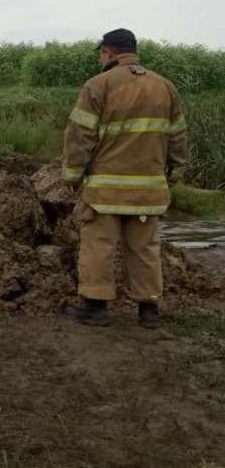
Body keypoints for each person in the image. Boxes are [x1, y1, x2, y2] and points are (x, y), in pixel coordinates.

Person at [62, 28, 187, 328]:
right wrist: (174, 173)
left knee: (99, 245)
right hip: (149, 192)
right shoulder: (165, 87)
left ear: (108, 52)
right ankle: (148, 311)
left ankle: (95, 307)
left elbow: (79, 136)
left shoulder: (98, 85)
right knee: (145, 249)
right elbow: (177, 137)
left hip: (104, 192)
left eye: (100, 54)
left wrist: (72, 176)